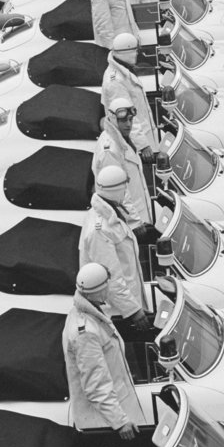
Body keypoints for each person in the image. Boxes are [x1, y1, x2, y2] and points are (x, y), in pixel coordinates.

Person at [63, 262, 145, 438]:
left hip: (117, 406)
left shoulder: (91, 312)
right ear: (100, 289)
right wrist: (120, 422)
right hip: (105, 422)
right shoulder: (85, 333)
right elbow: (96, 384)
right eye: (108, 282)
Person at [79, 166, 151, 330]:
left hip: (126, 303)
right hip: (118, 313)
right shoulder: (101, 230)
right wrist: (134, 312)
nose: (126, 191)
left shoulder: (109, 214)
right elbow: (109, 278)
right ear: (117, 190)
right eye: (124, 187)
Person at [92, 96, 153, 229]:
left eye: (130, 120)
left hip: (138, 213)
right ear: (113, 119)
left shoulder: (123, 139)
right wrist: (134, 222)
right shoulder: (110, 151)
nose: (128, 124)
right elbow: (116, 191)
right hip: (128, 222)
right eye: (123, 120)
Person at [101, 32, 159, 157]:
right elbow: (124, 116)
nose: (137, 53)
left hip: (144, 134)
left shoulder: (123, 71)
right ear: (126, 53)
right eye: (135, 50)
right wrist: (142, 145)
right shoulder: (115, 82)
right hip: (135, 144)